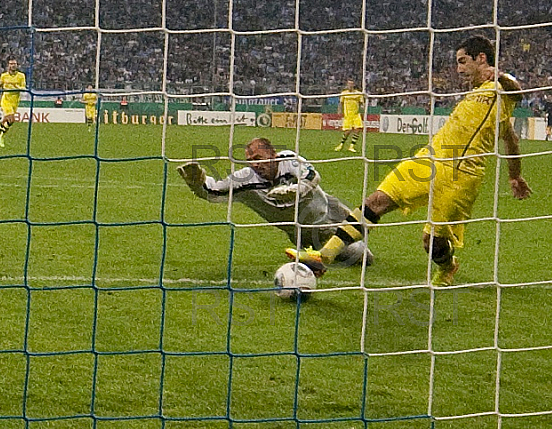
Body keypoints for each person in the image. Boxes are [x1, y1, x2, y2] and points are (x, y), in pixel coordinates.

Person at [287, 35, 532, 287]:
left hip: (461, 175)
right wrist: (515, 175)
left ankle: (448, 266)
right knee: (376, 200)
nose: (458, 69)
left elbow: (518, 92)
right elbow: (511, 139)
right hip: (428, 160)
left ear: (481, 58)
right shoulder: (474, 97)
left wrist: (499, 75)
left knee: (433, 243)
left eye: (462, 61)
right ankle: (323, 256)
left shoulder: (500, 90)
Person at [177, 138, 373, 266]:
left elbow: (312, 176)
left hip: (330, 211)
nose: (254, 164)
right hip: (305, 233)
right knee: (362, 257)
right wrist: (198, 184)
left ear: (273, 155)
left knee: (365, 235)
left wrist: (296, 190)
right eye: (250, 160)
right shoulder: (246, 179)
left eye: (258, 158)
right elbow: (214, 192)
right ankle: (315, 254)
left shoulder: (289, 159)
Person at [0, 57, 26, 150]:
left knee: (10, 120)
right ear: (8, 65)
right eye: (11, 64)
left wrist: (17, 87)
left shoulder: (21, 76)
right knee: (10, 118)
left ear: (17, 65)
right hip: (6, 99)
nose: (13, 65)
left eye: (14, 64)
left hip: (15, 101)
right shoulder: (4, 76)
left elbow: (24, 88)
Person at [334, 80, 365, 153]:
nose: (350, 85)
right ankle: (341, 145)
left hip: (356, 114)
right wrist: (339, 110)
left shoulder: (358, 93)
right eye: (349, 84)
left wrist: (363, 107)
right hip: (348, 115)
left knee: (358, 129)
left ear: (354, 85)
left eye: (351, 84)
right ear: (347, 85)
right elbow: (341, 103)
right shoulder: (344, 93)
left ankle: (351, 146)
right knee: (347, 131)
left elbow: (361, 103)